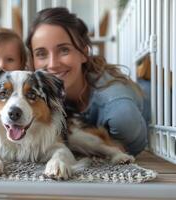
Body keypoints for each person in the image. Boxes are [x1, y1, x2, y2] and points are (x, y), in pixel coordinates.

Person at [26, 7, 148, 156]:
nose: (52, 64)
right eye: (41, 54)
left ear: (84, 53)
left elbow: (127, 153)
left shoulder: (119, 111)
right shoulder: (39, 94)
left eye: (64, 50)